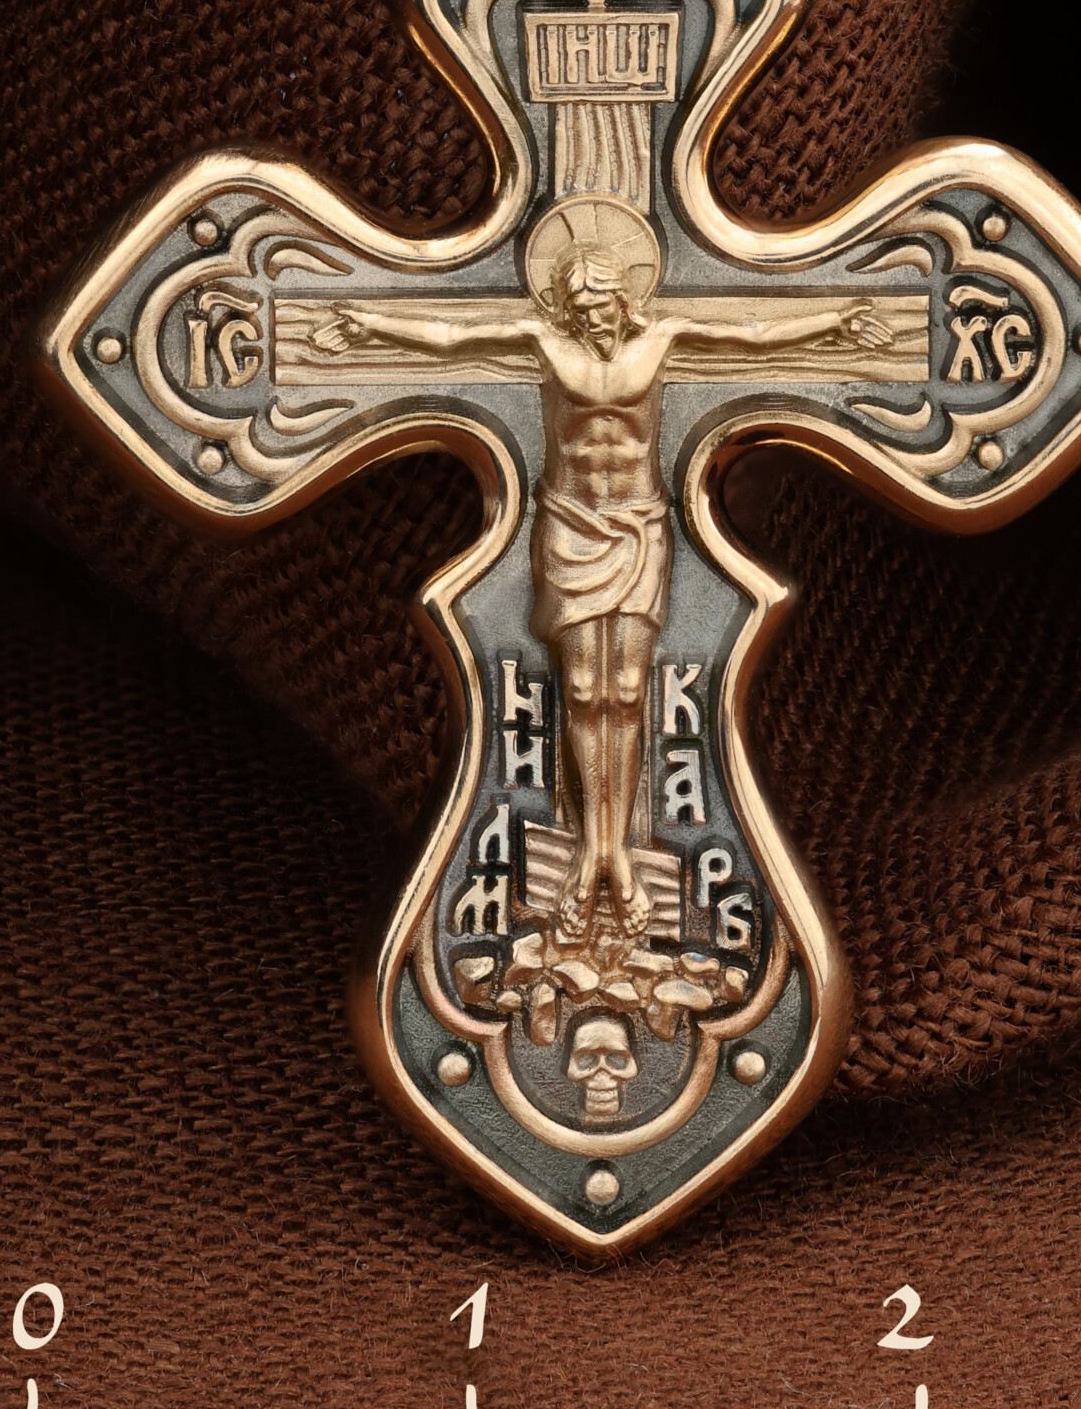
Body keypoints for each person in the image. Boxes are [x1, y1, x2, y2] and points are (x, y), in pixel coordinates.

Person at [312, 242, 891, 946]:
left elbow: (754, 334)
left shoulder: (662, 338)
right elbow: (452, 336)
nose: (593, 321)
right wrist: (369, 325)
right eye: (579, 309)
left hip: (640, 528)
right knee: (584, 690)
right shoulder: (545, 344)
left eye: (601, 307)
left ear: (625, 299)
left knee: (628, 690)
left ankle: (613, 853)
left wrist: (835, 322)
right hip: (570, 527)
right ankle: (594, 850)